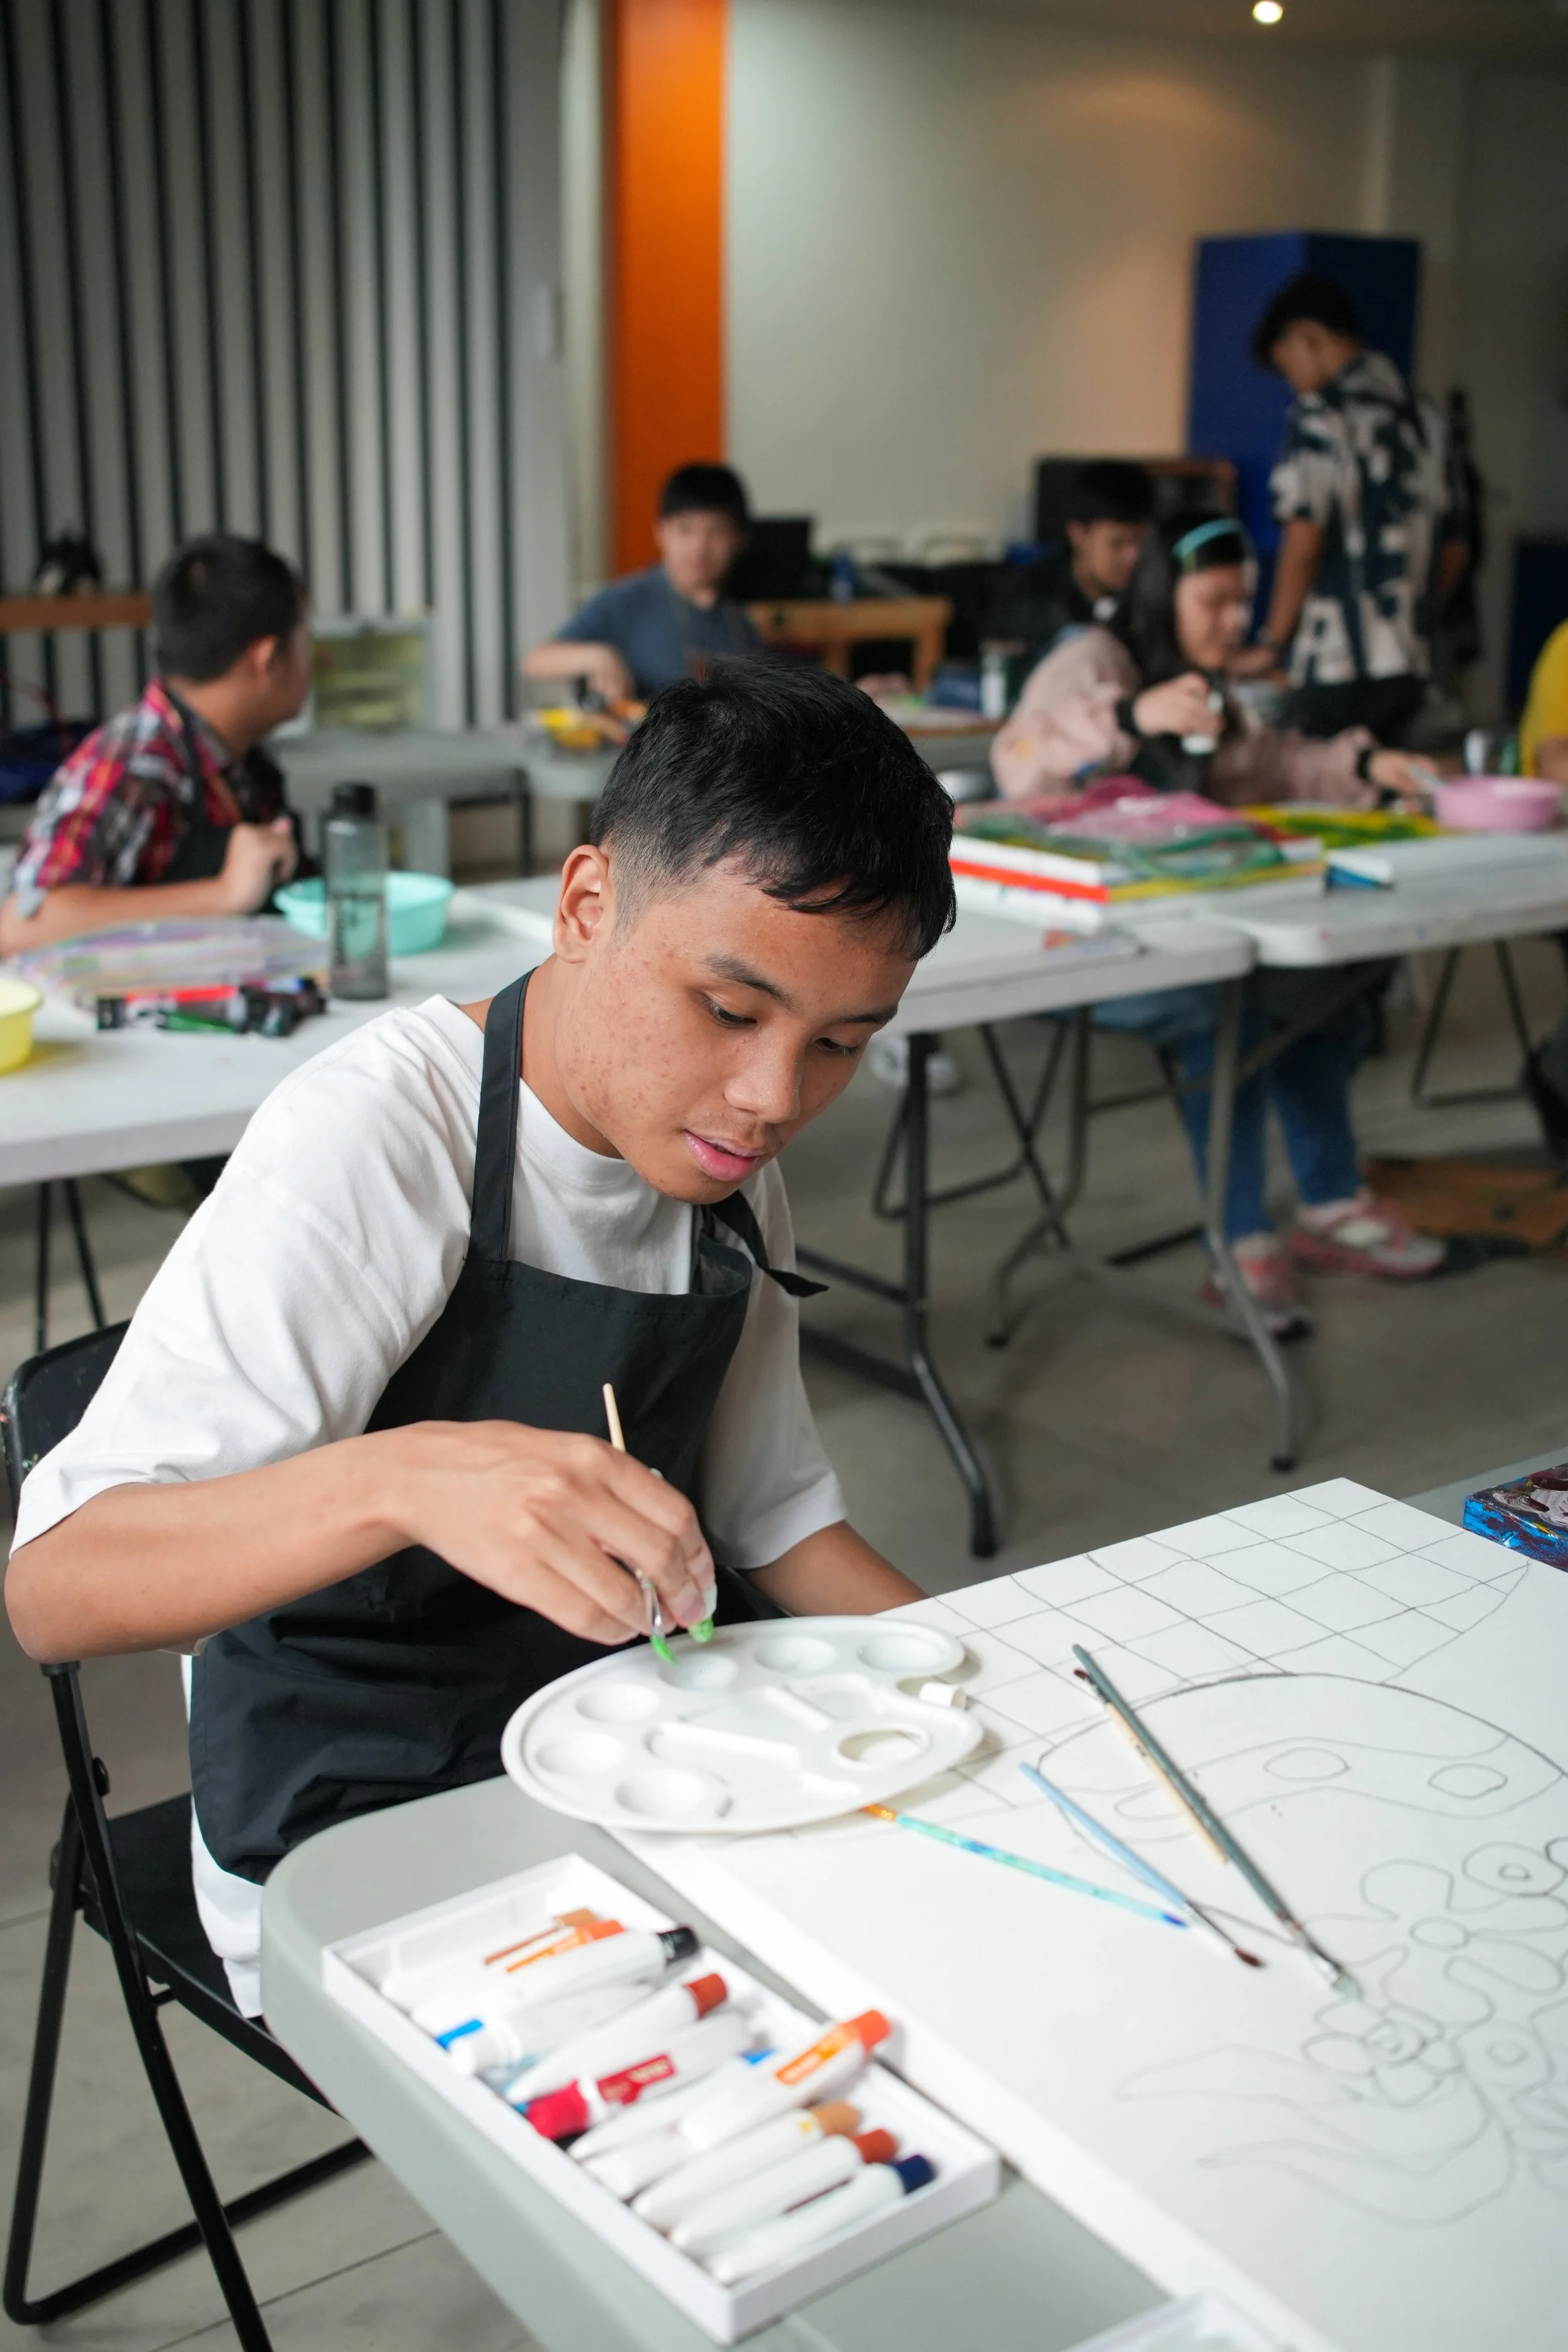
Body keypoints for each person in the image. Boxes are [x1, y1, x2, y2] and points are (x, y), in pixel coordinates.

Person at [5, 661, 952, 2016]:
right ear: (584, 906)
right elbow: (57, 1585)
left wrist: (1013, 1701)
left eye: (839, 1044)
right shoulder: (386, 1139)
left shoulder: (719, 1156)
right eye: (730, 1011)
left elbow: (777, 1524)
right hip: (357, 1806)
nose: (768, 1099)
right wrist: (404, 1477)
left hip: (624, 1739)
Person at [988, 514, 1443, 1333]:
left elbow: (1270, 761)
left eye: (1245, 601)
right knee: (1225, 1002)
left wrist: (1366, 764)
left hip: (1166, 925)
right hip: (1065, 942)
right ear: (1167, 592)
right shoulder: (1094, 661)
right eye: (1218, 599)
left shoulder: (1206, 679)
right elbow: (1019, 757)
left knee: (1315, 979)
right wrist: (1133, 715)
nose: (1237, 619)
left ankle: (1331, 1200)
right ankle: (1239, 1239)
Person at [0, 533, 307, 956]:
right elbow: (20, 923)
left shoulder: (244, 760)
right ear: (269, 659)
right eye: (305, 640)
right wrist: (222, 895)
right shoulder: (133, 763)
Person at [1233, 273, 1463, 746]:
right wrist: (1414, 614)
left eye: (1287, 365)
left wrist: (1273, 643)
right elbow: (1456, 547)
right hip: (1409, 663)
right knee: (1387, 789)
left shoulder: (1320, 413)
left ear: (1306, 337)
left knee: (1320, 788)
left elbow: (1304, 542)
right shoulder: (1428, 416)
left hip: (1335, 658)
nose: (1293, 382)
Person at [524, 463, 763, 704]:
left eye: (717, 531)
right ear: (659, 531)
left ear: (740, 539)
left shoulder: (742, 624)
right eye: (685, 529)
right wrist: (597, 655)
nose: (699, 547)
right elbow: (536, 661)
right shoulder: (626, 601)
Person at [990, 461, 1155, 668]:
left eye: (1142, 542)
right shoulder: (1030, 603)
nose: (1133, 556)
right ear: (1078, 533)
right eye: (1117, 543)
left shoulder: (1153, 594)